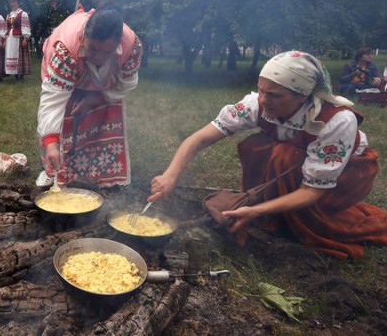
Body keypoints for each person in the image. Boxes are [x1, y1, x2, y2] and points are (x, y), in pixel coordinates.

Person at [149, 51, 387, 259]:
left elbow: (313, 190)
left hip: (343, 175)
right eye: (261, 90)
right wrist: (170, 175)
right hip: (293, 161)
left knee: (285, 155)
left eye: (273, 95)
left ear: (302, 95)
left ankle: (294, 219)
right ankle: (276, 211)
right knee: (260, 148)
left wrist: (255, 210)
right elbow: (200, 137)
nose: (263, 100)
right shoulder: (258, 104)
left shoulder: (336, 121)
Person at [37, 2, 142, 188]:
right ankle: (55, 170)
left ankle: (101, 175)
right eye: (93, 49)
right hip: (66, 79)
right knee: (65, 119)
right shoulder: (65, 50)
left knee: (105, 113)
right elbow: (53, 100)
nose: (99, 57)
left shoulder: (131, 46)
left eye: (107, 52)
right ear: (85, 37)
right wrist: (51, 143)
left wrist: (96, 99)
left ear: (117, 44)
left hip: (105, 85)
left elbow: (126, 84)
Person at [4, 0, 31, 81]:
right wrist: (5, 39)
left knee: (19, 54)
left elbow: (26, 27)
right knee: (11, 53)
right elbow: (6, 28)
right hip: (10, 38)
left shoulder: (23, 14)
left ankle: (20, 74)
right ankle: (15, 74)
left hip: (18, 37)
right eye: (11, 2)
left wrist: (25, 38)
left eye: (14, 2)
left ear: (18, 2)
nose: (12, 4)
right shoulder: (9, 15)